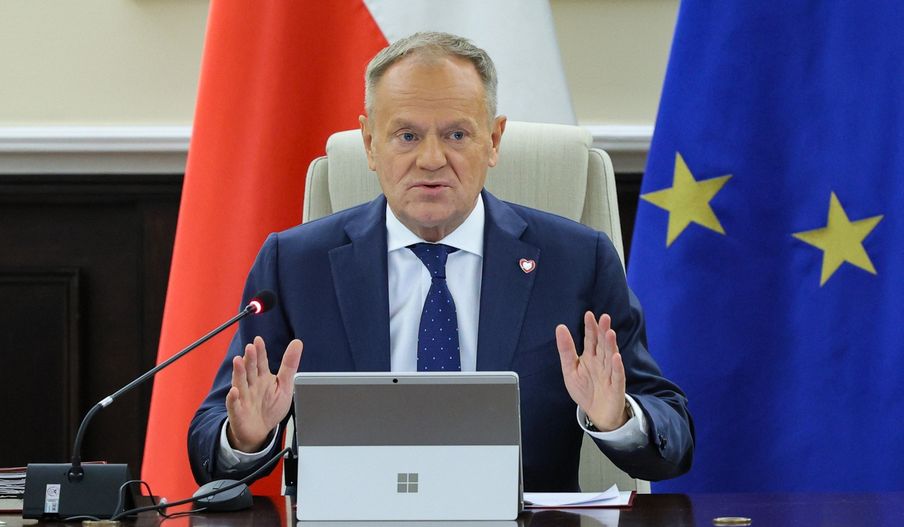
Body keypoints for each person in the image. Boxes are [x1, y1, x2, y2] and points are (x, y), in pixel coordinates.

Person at [188, 32, 694, 492]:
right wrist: (246, 436)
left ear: (493, 141)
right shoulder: (296, 266)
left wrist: (616, 418)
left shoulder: (577, 262)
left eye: (456, 135)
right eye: (407, 136)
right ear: (370, 144)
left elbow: (673, 437)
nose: (431, 159)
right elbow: (210, 443)